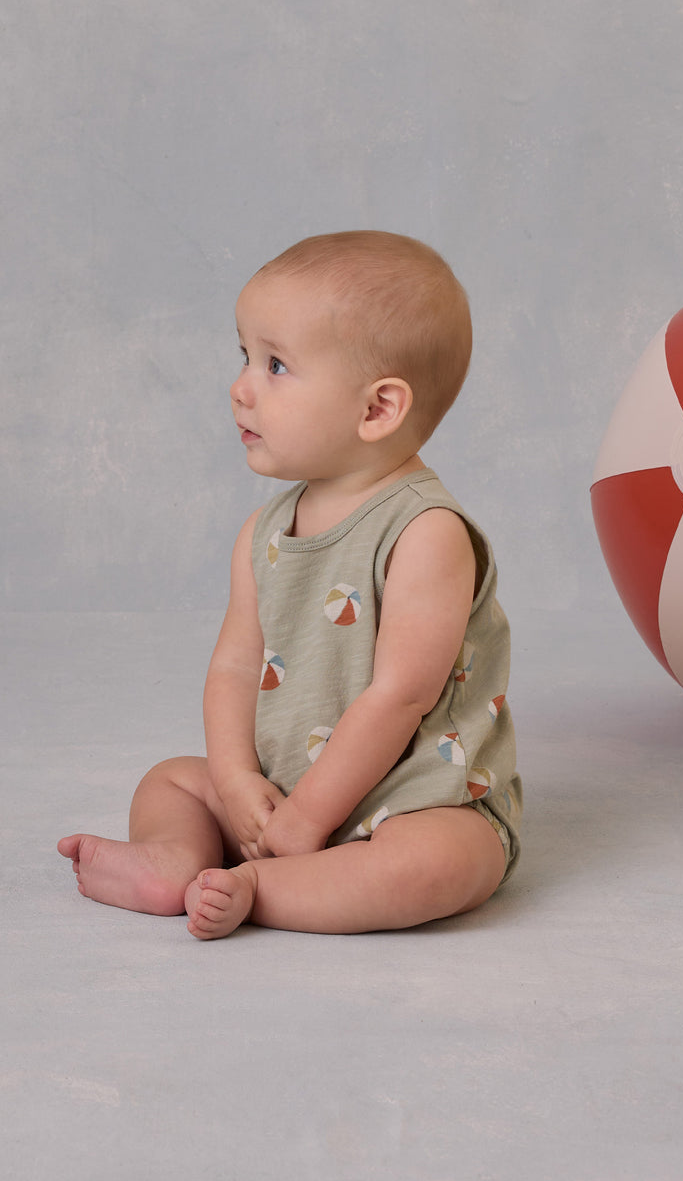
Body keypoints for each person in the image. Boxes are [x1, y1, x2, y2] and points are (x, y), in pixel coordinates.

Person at [58, 231, 521, 938]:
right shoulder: (263, 534)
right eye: (244, 355)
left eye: (275, 365)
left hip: (408, 800)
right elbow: (235, 666)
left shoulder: (426, 533)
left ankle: (256, 886)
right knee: (173, 780)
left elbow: (401, 696)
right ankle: (175, 862)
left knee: (446, 864)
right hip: (280, 796)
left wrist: (309, 818)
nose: (241, 386)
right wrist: (240, 782)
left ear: (376, 410)